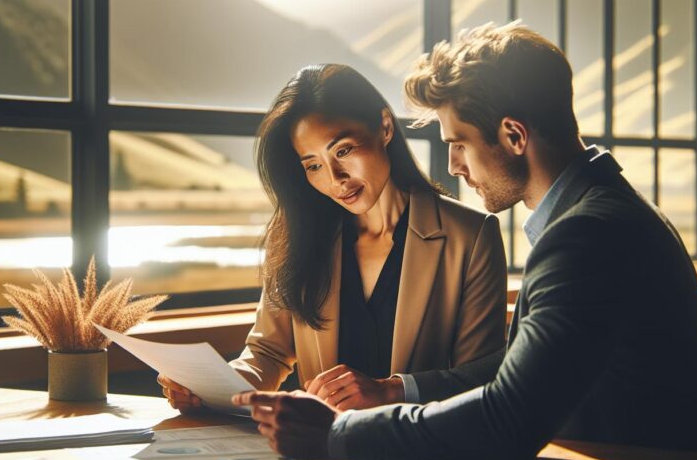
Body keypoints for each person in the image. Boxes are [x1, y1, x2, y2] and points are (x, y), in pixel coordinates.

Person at [232, 23, 697, 460]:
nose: (452, 166)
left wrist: (339, 433)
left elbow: (508, 418)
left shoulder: (586, 235)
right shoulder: (604, 211)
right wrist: (395, 389)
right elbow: (516, 368)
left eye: (459, 144)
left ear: (514, 136)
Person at [159, 63, 507, 412]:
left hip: (419, 453)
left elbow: (480, 380)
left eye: (342, 151)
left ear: (385, 127)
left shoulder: (472, 236)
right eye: (313, 165)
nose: (335, 178)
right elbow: (267, 353)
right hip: (316, 450)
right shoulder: (299, 234)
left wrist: (392, 391)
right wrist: (213, 386)